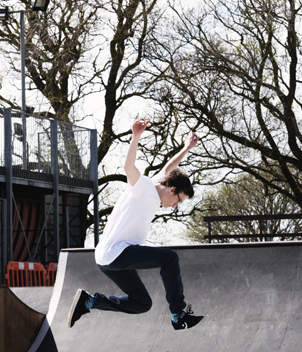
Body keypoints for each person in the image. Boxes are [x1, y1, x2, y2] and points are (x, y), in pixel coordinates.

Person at [68, 119, 204, 330]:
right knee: (170, 259)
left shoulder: (158, 184)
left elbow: (170, 167)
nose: (175, 205)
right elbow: (128, 167)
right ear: (172, 190)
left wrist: (187, 147)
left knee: (142, 303)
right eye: (178, 200)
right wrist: (135, 137)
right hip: (116, 253)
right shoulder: (142, 187)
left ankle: (90, 301)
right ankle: (178, 314)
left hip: (107, 258)